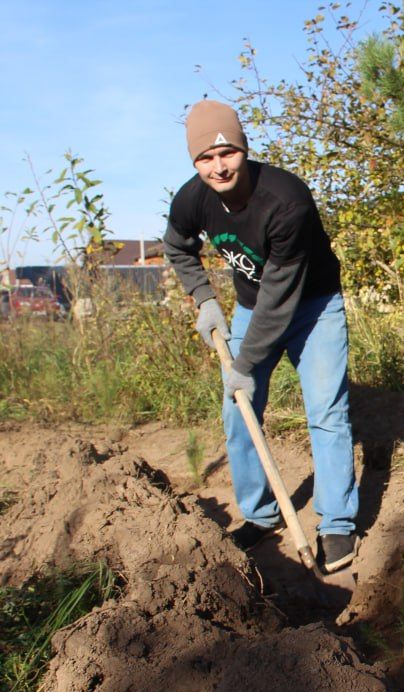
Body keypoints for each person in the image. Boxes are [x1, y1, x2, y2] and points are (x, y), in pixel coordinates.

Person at [163, 98, 358, 572]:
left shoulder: (286, 200)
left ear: (244, 149)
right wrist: (205, 299)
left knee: (326, 413)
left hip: (312, 307)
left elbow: (280, 296)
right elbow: (176, 246)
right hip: (252, 307)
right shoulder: (193, 198)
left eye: (226, 153)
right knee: (239, 411)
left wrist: (245, 364)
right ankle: (260, 514)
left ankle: (336, 524)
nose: (218, 166)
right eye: (205, 158)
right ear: (195, 162)